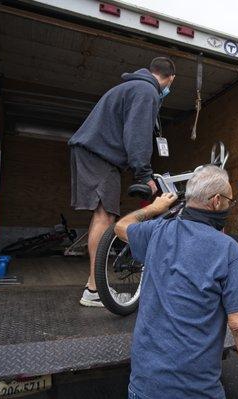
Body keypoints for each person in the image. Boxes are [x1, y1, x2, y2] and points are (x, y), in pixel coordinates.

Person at [114, 165, 238, 399]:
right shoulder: (229, 251)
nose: (230, 206)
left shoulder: (156, 231)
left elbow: (120, 227)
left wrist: (154, 208)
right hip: (195, 392)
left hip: (144, 387)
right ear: (217, 201)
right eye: (230, 200)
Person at [68, 57, 175, 307]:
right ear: (170, 78)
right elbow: (136, 135)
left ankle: (93, 287)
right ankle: (94, 290)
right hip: (99, 155)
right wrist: (144, 175)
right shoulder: (147, 90)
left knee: (102, 216)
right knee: (105, 218)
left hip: (93, 153)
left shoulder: (134, 87)